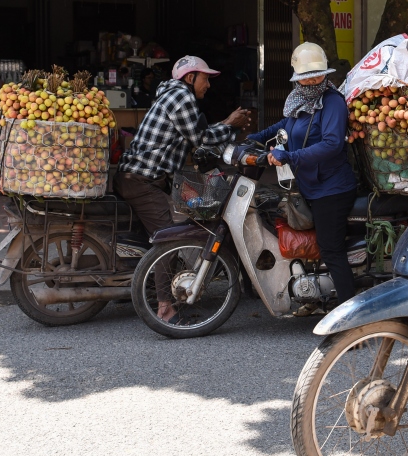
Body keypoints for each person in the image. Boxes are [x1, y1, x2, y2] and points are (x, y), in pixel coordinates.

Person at [115, 55, 251, 321]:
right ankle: (165, 306)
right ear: (191, 78)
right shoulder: (181, 97)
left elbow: (196, 134)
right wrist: (229, 124)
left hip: (142, 178)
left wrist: (226, 131)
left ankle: (152, 281)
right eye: (205, 79)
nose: (208, 85)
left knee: (179, 218)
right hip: (141, 180)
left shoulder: (171, 94)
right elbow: (201, 137)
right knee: (170, 237)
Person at [250, 43, 358, 304]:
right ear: (297, 77)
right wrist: (255, 138)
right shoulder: (300, 100)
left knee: (331, 250)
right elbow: (285, 125)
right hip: (310, 185)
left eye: (317, 73)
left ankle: (351, 317)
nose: (311, 79)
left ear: (325, 73)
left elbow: (332, 144)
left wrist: (291, 156)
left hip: (332, 188)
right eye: (305, 75)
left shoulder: (332, 102)